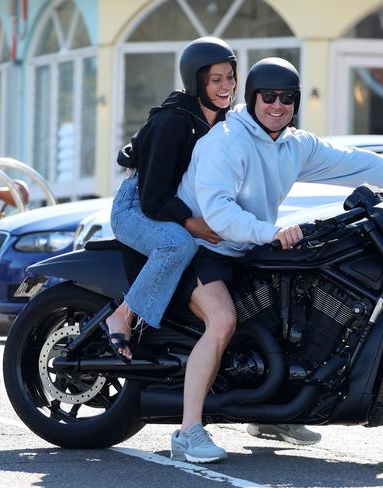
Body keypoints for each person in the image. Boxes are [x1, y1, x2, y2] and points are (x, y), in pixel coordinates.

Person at [171, 57, 383, 463]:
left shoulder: (294, 144)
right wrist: (269, 232)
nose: (277, 105)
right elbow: (217, 212)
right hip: (202, 249)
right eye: (268, 97)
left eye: (286, 98)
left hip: (246, 247)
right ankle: (188, 431)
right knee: (222, 321)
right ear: (253, 98)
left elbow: (361, 163)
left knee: (294, 307)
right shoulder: (224, 142)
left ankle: (273, 413)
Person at [103, 37, 237, 363]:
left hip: (168, 206)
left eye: (230, 77)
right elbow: (152, 197)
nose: (226, 87)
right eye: (215, 80)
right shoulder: (172, 121)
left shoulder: (223, 121)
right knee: (178, 244)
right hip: (136, 207)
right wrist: (191, 224)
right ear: (196, 82)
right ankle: (123, 315)